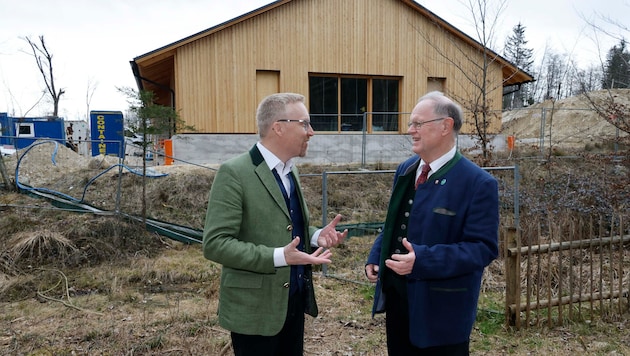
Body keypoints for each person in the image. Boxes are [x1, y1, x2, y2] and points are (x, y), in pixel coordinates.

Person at [203, 92, 348, 356]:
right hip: (254, 312)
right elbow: (215, 244)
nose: (311, 132)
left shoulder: (289, 170)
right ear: (278, 127)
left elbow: (287, 227)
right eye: (304, 123)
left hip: (291, 303)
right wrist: (280, 256)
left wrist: (315, 237)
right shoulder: (234, 173)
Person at [365, 91, 499, 355]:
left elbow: (482, 248)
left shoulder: (478, 183)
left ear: (445, 126)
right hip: (399, 304)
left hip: (442, 313)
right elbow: (393, 220)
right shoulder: (405, 169)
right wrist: (376, 255)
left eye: (417, 123)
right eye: (411, 123)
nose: (410, 130)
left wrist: (423, 260)